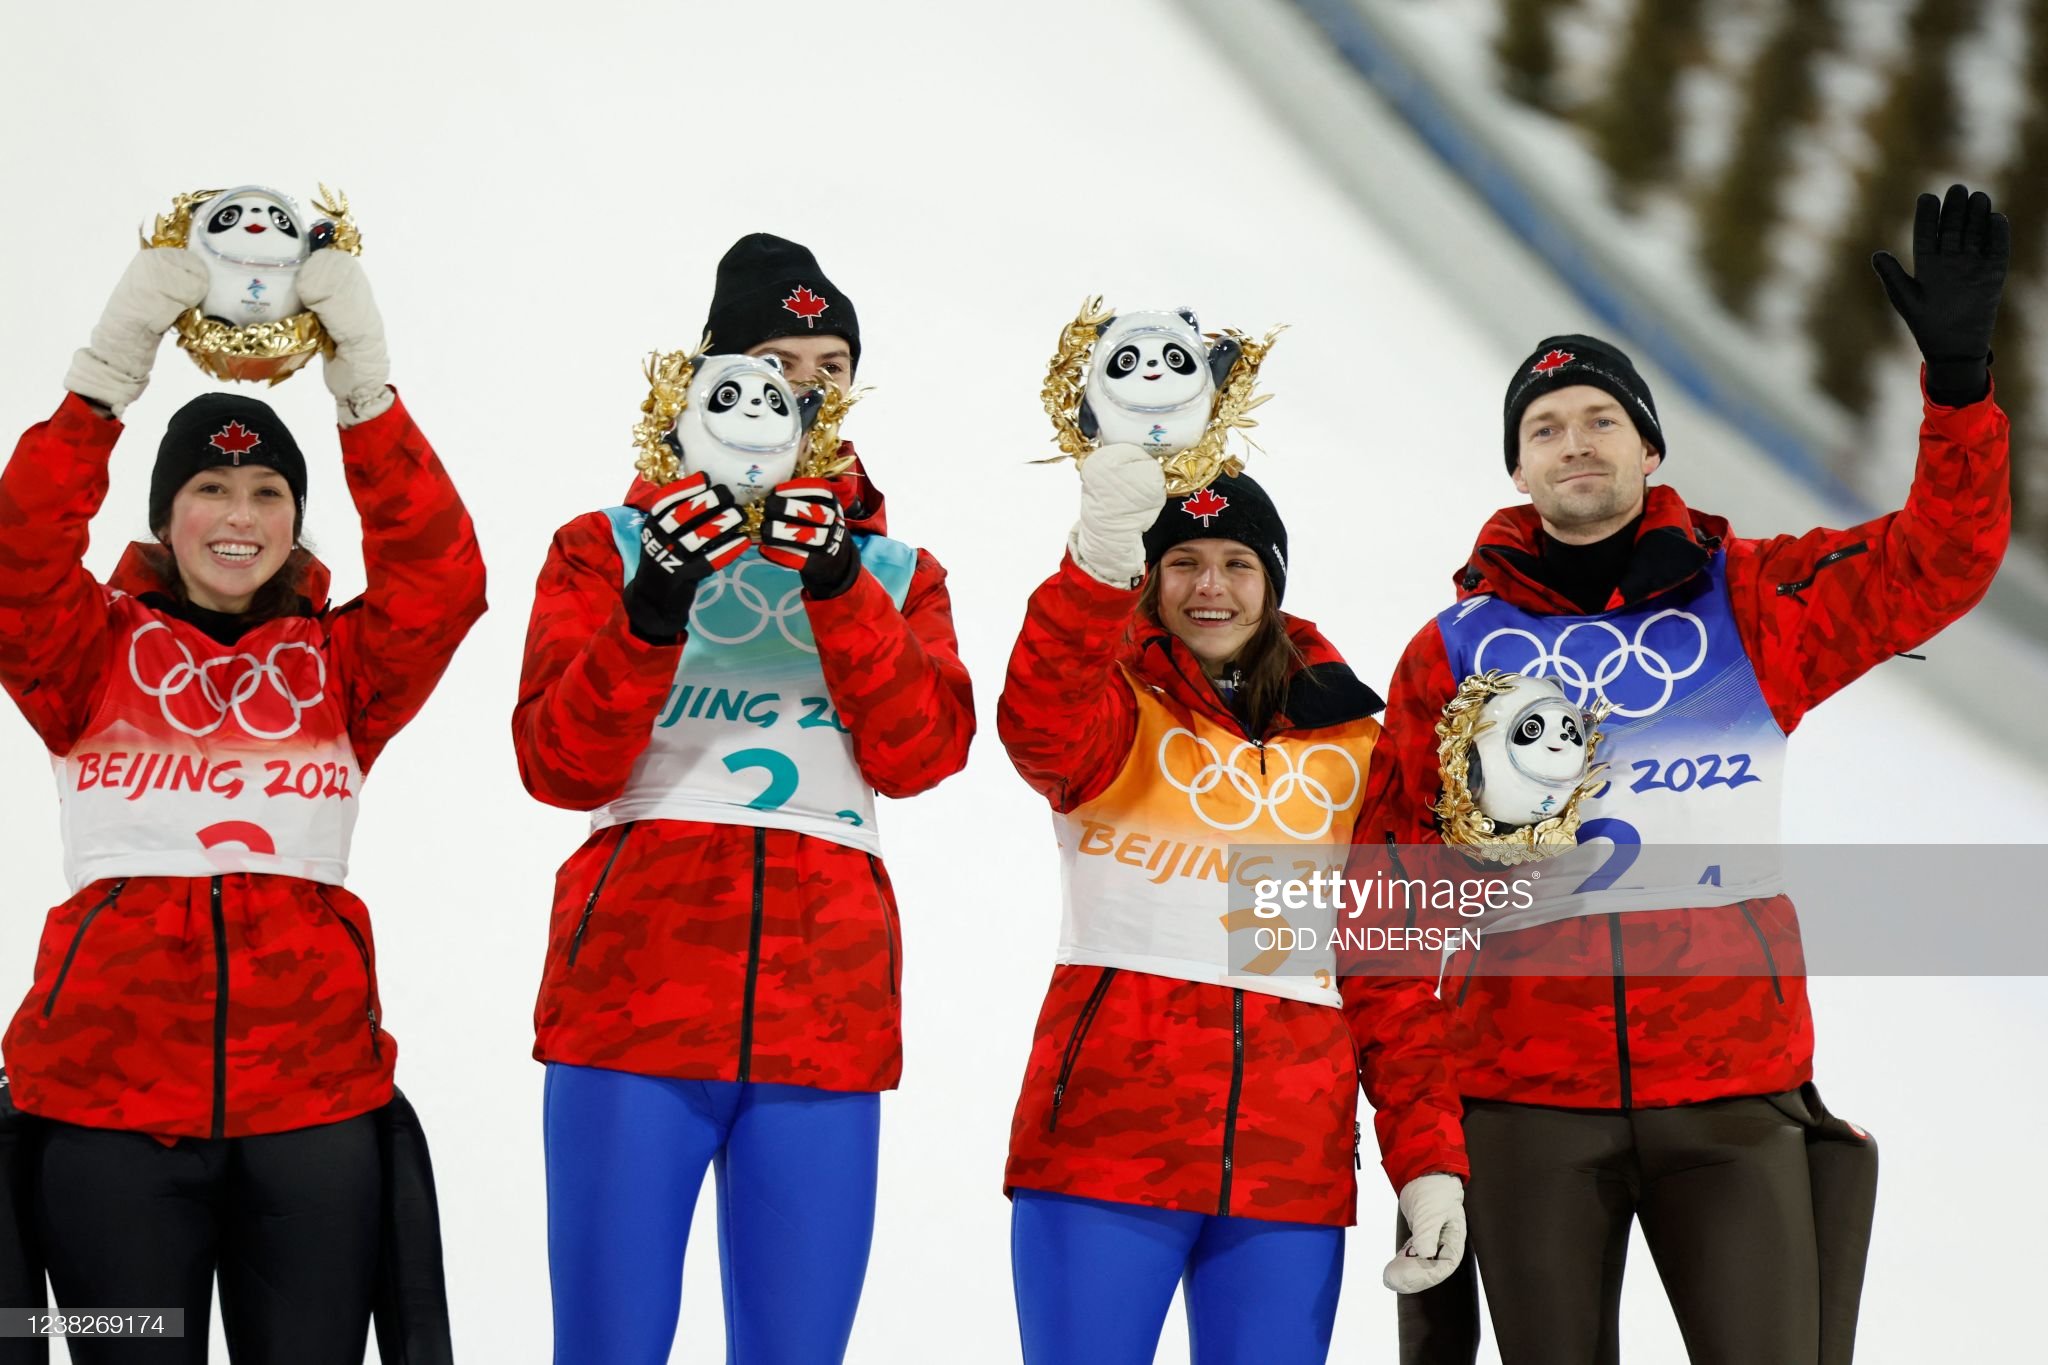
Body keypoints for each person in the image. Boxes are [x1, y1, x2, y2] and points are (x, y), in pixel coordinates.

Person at [1363, 184, 2010, 1365]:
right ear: (1515, 468)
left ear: (1649, 446)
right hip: (1519, 1098)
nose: (1573, 443)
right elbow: (1383, 919)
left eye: (1599, 419)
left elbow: (1936, 564)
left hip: (1729, 1090)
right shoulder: (1449, 656)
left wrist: (1958, 388)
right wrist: (1419, 1146)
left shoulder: (1751, 601)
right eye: (1544, 426)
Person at [0, 240, 485, 1363]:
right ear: (165, 515)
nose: (239, 512)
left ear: (294, 518)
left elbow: (442, 582)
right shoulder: (85, 654)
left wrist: (363, 385)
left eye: (268, 491)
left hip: (313, 1118)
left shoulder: (345, 667)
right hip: (106, 1120)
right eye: (208, 487)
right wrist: (109, 369)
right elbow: (18, 552)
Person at [516, 233, 976, 1365]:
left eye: (830, 364)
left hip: (822, 1017)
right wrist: (652, 610)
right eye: (779, 357)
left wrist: (837, 589)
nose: (805, 386)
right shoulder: (606, 546)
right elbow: (557, 762)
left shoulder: (898, 570)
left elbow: (925, 752)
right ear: (713, 372)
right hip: (632, 1001)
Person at [998, 447, 1470, 1365]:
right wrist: (1097, 558)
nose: (1209, 587)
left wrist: (1428, 1161)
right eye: (1183, 562)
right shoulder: (1114, 710)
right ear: (1150, 576)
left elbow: (1388, 975)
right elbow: (1037, 724)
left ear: (1274, 582)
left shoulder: (1354, 745)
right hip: (1103, 1149)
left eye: (1237, 564)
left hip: (1288, 1173)